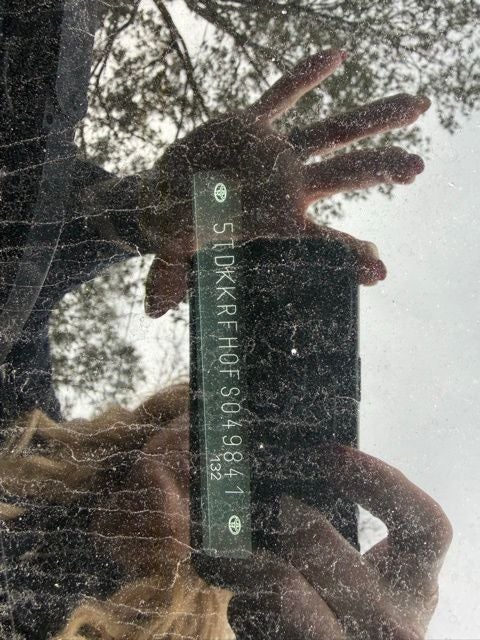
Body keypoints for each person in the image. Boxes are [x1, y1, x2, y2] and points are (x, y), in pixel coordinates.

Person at [0, 50, 452, 638]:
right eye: (230, 412)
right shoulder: (16, 424)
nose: (234, 453)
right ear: (155, 427)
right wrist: (136, 210)